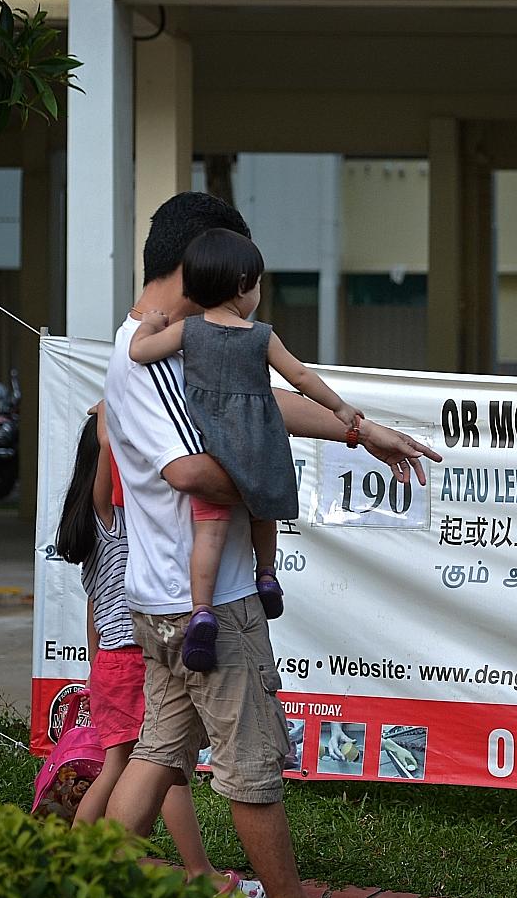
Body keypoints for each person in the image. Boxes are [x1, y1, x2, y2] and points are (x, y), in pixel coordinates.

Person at [103, 191, 438, 898]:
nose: (247, 291)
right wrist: (268, 484)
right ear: (202, 265)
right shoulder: (146, 358)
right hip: (210, 606)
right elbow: (197, 471)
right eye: (239, 272)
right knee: (251, 761)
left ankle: (85, 890)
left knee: (159, 751)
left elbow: (261, 398)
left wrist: (359, 430)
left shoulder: (169, 343)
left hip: (162, 601)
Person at [54, 405, 264, 898]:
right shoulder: (112, 522)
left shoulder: (96, 535)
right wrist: (113, 419)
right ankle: (187, 870)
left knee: (137, 764)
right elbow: (110, 452)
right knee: (155, 765)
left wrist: (92, 673)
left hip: (111, 663)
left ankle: (77, 863)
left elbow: (92, 617)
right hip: (128, 662)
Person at [128, 228, 362, 672]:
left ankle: (200, 610)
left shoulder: (187, 332)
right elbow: (301, 378)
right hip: (259, 444)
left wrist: (151, 323)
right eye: (256, 283)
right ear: (241, 286)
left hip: (211, 446)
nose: (258, 291)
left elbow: (139, 353)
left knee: (210, 532)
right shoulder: (261, 335)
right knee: (263, 509)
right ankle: (267, 574)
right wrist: (340, 408)